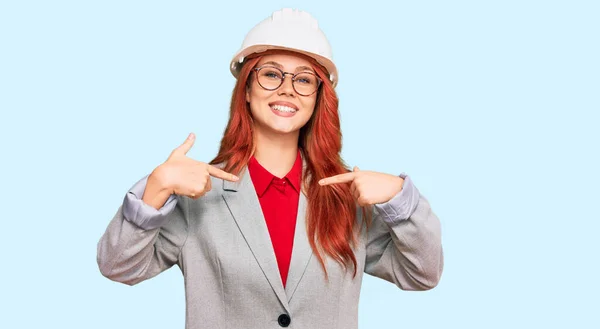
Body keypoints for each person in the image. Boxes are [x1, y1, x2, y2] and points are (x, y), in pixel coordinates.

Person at [97, 8, 443, 329]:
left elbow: (422, 274)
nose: (287, 89)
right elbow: (119, 267)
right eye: (271, 75)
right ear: (246, 88)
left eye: (304, 79)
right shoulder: (197, 195)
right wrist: (155, 190)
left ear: (318, 96)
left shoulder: (346, 198)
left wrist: (403, 201)